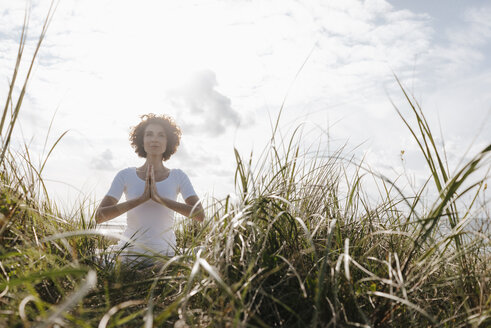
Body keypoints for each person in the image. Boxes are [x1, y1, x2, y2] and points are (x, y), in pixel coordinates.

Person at [95, 114, 204, 265]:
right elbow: (100, 216)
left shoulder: (178, 176)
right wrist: (140, 200)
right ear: (142, 140)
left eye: (161, 135)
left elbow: (199, 215)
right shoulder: (125, 175)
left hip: (166, 254)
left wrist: (161, 200)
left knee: (204, 252)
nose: (154, 139)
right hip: (130, 254)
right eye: (149, 134)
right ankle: (146, 272)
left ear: (168, 142)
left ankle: (151, 271)